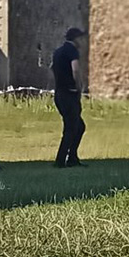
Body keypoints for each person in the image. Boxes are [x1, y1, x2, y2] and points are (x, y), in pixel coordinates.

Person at [51, 27, 87, 167]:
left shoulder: (58, 52)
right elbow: (76, 69)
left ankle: (72, 157)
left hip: (59, 93)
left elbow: (53, 68)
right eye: (81, 38)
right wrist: (79, 86)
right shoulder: (72, 51)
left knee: (78, 126)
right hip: (69, 94)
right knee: (72, 128)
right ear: (76, 39)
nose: (83, 41)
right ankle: (62, 160)